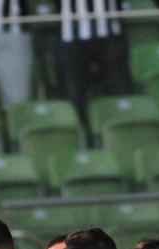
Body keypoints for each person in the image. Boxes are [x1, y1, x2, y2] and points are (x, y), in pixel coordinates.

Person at [56, 0, 131, 142]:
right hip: (71, 35)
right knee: (76, 94)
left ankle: (122, 135)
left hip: (109, 32)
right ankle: (84, 138)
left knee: (119, 90)